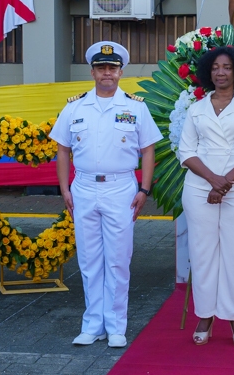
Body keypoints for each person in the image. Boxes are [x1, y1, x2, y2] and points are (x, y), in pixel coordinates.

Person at [52, 42, 161, 348]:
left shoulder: (135, 107)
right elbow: (62, 149)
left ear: (120, 72)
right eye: (101, 68)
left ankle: (115, 326)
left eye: (112, 68)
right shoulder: (74, 107)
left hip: (120, 188)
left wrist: (144, 188)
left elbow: (148, 149)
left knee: (117, 259)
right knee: (89, 259)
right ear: (92, 72)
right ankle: (92, 324)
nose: (107, 74)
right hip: (84, 187)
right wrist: (64, 188)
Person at [178, 45, 234, 347]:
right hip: (200, 187)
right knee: (202, 252)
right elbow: (186, 151)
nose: (220, 72)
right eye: (215, 67)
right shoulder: (196, 109)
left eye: (227, 67)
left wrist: (224, 183)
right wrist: (213, 181)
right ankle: (205, 314)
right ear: (207, 72)